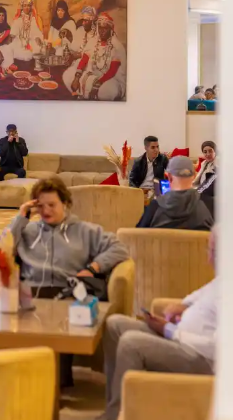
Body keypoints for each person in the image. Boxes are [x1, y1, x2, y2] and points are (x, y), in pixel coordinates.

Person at [12, 177, 129, 388]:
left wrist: (93, 268)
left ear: (65, 204)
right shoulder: (28, 231)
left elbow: (119, 249)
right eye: (41, 205)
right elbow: (1, 248)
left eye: (52, 204)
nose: (46, 210)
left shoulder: (85, 231)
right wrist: (22, 217)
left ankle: (56, 382)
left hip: (67, 290)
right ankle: (24, 379)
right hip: (32, 290)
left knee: (60, 312)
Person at [98, 229, 216, 420]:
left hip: (203, 358)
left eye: (213, 252)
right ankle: (114, 408)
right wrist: (183, 305)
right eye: (209, 250)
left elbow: (217, 348)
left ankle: (121, 415)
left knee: (131, 343)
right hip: (180, 338)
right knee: (114, 324)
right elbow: (199, 295)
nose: (209, 259)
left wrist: (170, 331)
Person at [136, 156, 213, 230]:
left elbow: (136, 236)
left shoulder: (154, 207)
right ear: (194, 176)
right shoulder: (209, 205)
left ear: (169, 177)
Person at [63, 13, 126, 101]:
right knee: (67, 75)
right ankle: (81, 95)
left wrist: (98, 84)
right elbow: (84, 59)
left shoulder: (116, 46)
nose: (102, 31)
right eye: (100, 28)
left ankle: (88, 97)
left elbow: (112, 71)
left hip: (109, 79)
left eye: (105, 28)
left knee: (111, 90)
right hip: (92, 75)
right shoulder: (93, 41)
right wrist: (77, 77)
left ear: (111, 30)